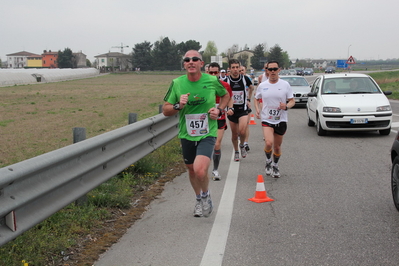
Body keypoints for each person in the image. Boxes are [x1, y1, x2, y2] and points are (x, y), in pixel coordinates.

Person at [162, 50, 230, 217]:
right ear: (184, 64)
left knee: (200, 170)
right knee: (191, 170)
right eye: (187, 60)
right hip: (187, 134)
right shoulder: (177, 83)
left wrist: (219, 110)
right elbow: (165, 110)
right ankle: (198, 198)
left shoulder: (212, 80)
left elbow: (226, 95)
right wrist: (178, 105)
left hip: (208, 132)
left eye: (195, 59)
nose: (190, 62)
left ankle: (206, 196)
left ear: (201, 63)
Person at [255, 60, 295, 178]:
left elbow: (292, 101)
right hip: (267, 118)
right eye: (270, 69)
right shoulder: (262, 86)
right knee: (268, 143)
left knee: (277, 147)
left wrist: (286, 106)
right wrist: (257, 109)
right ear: (267, 71)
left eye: (274, 69)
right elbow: (256, 99)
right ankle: (268, 161)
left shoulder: (285, 85)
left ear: (279, 70)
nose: (272, 71)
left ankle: (275, 165)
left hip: (281, 119)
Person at [208, 62, 233, 181]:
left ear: (219, 73)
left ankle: (215, 170)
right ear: (206, 72)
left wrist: (230, 108)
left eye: (215, 72)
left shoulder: (225, 85)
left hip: (219, 118)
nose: (213, 75)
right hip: (204, 119)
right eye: (210, 72)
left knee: (217, 144)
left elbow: (229, 98)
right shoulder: (202, 85)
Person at [226, 59, 253, 161]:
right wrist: (227, 107)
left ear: (240, 68)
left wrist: (248, 99)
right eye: (233, 67)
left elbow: (251, 87)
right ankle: (236, 150)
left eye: (237, 67)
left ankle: (242, 145)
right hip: (232, 110)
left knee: (242, 131)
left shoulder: (245, 78)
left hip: (243, 109)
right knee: (234, 134)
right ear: (229, 69)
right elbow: (224, 95)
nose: (235, 69)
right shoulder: (226, 81)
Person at [241, 65, 252, 152]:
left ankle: (246, 142)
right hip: (236, 105)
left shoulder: (247, 79)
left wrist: (248, 99)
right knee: (239, 128)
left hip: (246, 104)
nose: (241, 72)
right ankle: (241, 138)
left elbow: (252, 88)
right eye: (239, 70)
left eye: (242, 70)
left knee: (246, 124)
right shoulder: (233, 79)